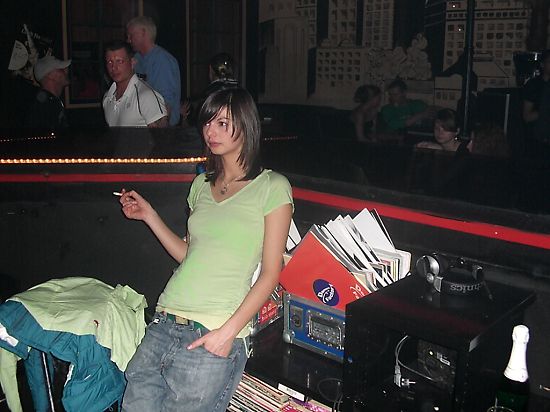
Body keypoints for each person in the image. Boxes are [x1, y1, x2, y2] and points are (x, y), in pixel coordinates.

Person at [117, 87, 293, 411]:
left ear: (247, 126)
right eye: (208, 123)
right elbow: (189, 255)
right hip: (164, 321)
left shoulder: (272, 187)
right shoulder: (200, 185)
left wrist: (227, 334)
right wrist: (149, 215)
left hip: (212, 330)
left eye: (222, 123)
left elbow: (270, 274)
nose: (211, 131)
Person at [127, 16, 181, 126]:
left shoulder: (162, 61)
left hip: (158, 129)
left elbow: (165, 104)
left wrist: (159, 133)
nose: (128, 40)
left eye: (131, 35)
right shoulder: (136, 59)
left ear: (143, 33)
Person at [102, 42, 168, 128]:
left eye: (119, 61)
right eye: (110, 62)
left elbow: (162, 134)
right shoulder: (107, 98)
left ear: (132, 62)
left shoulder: (146, 96)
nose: (114, 67)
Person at [181, 52, 239, 127]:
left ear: (210, 70)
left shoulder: (207, 97)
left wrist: (183, 117)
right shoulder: (243, 95)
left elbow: (195, 128)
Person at [24, 55, 71, 130]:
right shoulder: (43, 107)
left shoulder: (50, 102)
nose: (66, 70)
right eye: (62, 69)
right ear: (51, 75)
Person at [522, 49, 550, 149]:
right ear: (542, 64)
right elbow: (527, 117)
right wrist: (544, 110)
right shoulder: (533, 85)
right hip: (536, 140)